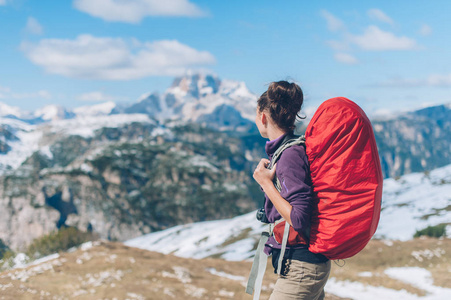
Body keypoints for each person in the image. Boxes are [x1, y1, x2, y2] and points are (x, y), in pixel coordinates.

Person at [253, 81, 331, 300]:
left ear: (263, 117)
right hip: (303, 264)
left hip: (302, 267)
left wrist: (266, 183)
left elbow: (299, 217)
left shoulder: (289, 156)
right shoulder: (288, 151)